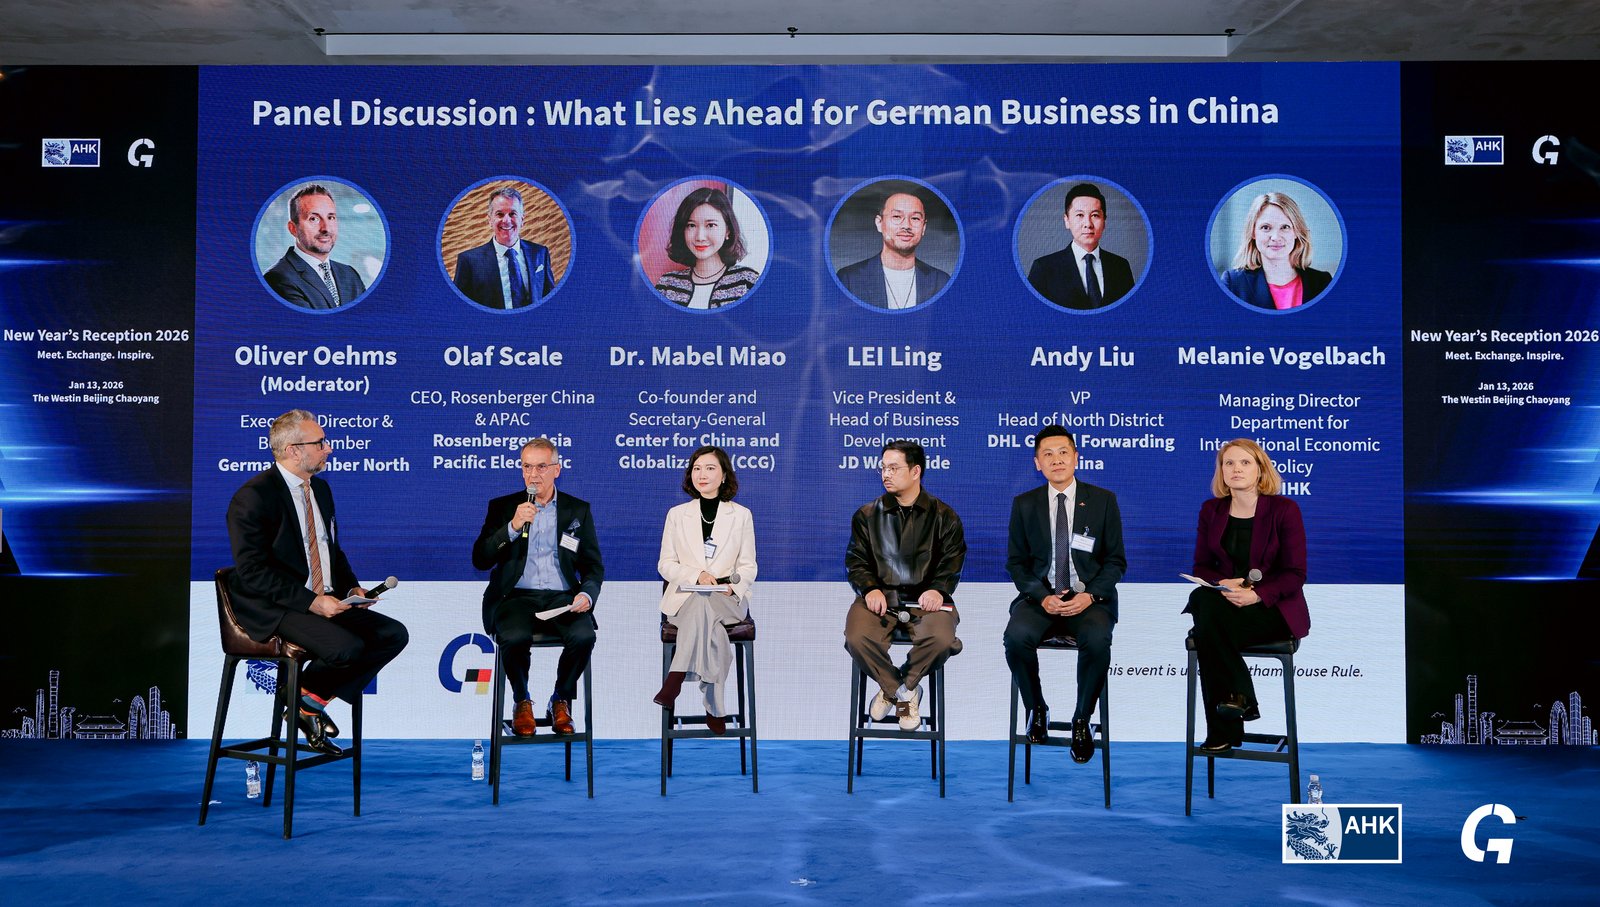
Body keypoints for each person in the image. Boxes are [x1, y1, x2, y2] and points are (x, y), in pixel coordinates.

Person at [225, 409, 408, 756]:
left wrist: (352, 589)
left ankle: (305, 702)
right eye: (320, 443)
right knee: (346, 648)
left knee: (392, 634)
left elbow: (330, 550)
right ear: (294, 450)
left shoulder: (320, 490)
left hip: (325, 598)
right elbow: (252, 571)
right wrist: (311, 601)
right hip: (276, 605)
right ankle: (302, 703)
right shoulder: (254, 497)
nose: (329, 449)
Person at [1003, 426, 1126, 763]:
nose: (1056, 460)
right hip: (1040, 599)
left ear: (1076, 457)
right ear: (1037, 463)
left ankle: (1082, 720)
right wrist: (1042, 596)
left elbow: (1116, 561)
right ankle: (1036, 709)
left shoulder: (1102, 500)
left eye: (1063, 452)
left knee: (1097, 640)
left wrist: (1091, 596)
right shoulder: (1024, 504)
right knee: (1016, 638)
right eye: (1048, 454)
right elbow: (1016, 563)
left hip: (1089, 600)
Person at [1184, 438, 1310, 753]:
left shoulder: (1284, 510)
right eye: (1229, 463)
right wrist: (1222, 582)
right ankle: (1241, 698)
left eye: (1244, 462)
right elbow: (1201, 566)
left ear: (1260, 469)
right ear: (1221, 471)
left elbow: (1295, 574)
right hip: (1226, 605)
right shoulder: (1211, 510)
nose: (1236, 469)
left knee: (1208, 629)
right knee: (1202, 600)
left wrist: (1257, 596)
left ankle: (1223, 729)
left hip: (1271, 610)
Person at [471, 438, 602, 736]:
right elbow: (480, 559)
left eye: (541, 467)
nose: (533, 475)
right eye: (527, 467)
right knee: (514, 637)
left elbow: (593, 565)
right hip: (515, 596)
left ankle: (560, 700)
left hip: (562, 597)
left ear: (557, 469)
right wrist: (512, 527)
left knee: (584, 636)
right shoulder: (503, 507)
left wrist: (587, 593)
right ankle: (522, 701)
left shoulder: (577, 510)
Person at [844, 440, 966, 730]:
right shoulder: (866, 515)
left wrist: (937, 589)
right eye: (883, 468)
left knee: (942, 639)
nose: (886, 474)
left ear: (915, 471)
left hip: (927, 602)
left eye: (894, 468)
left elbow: (952, 561)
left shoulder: (944, 516)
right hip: (880, 599)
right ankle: (905, 695)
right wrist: (869, 588)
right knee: (856, 637)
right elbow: (856, 561)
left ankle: (894, 690)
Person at [653, 446, 758, 733]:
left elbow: (749, 566)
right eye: (697, 468)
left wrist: (732, 587)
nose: (702, 474)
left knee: (707, 604)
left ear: (724, 475)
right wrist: (696, 576)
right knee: (707, 616)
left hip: (727, 598)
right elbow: (665, 564)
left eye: (710, 468)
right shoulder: (677, 515)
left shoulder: (741, 515)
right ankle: (714, 703)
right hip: (686, 598)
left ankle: (675, 677)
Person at [1026, 183, 1136, 310]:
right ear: (1067, 220)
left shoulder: (1121, 266)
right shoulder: (1044, 268)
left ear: (1104, 221)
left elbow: (1132, 311)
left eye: (1095, 215)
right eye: (1080, 215)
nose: (1088, 224)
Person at [836, 190, 951, 309]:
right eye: (896, 217)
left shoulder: (941, 282)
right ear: (879, 223)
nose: (906, 225)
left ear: (923, 227)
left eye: (915, 218)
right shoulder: (849, 279)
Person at [1220, 192, 1333, 310]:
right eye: (1266, 227)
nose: (1275, 237)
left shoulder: (1322, 283)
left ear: (1296, 232)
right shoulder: (1233, 284)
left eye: (1285, 227)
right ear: (1253, 232)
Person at [264, 184, 369, 309]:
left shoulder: (349, 274)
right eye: (313, 219)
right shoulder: (278, 278)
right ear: (293, 229)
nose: (326, 228)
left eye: (330, 217)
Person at [652, 187, 760, 309]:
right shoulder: (667, 284)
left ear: (727, 231)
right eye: (691, 225)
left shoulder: (748, 282)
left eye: (710, 225)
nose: (700, 237)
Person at [452, 187, 556, 309]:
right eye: (500, 214)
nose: (506, 220)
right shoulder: (469, 261)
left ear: (522, 219)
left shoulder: (540, 253)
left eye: (512, 214)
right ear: (490, 220)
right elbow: (458, 307)